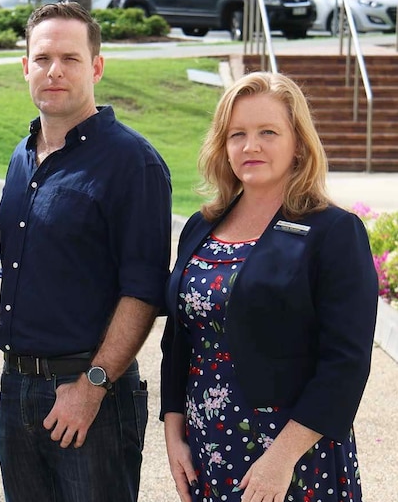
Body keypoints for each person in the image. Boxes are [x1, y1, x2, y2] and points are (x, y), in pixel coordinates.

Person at [161, 72, 378, 502]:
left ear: (298, 143)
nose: (250, 146)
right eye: (237, 134)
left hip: (295, 457)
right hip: (208, 446)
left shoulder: (333, 232)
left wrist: (282, 458)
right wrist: (174, 432)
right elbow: (178, 339)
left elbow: (346, 363)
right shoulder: (201, 226)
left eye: (268, 132)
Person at [0, 1, 172, 502]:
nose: (54, 70)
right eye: (42, 57)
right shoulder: (22, 155)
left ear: (96, 67)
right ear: (24, 66)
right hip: (18, 389)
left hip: (91, 393)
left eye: (70, 59)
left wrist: (91, 387)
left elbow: (142, 290)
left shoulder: (131, 162)